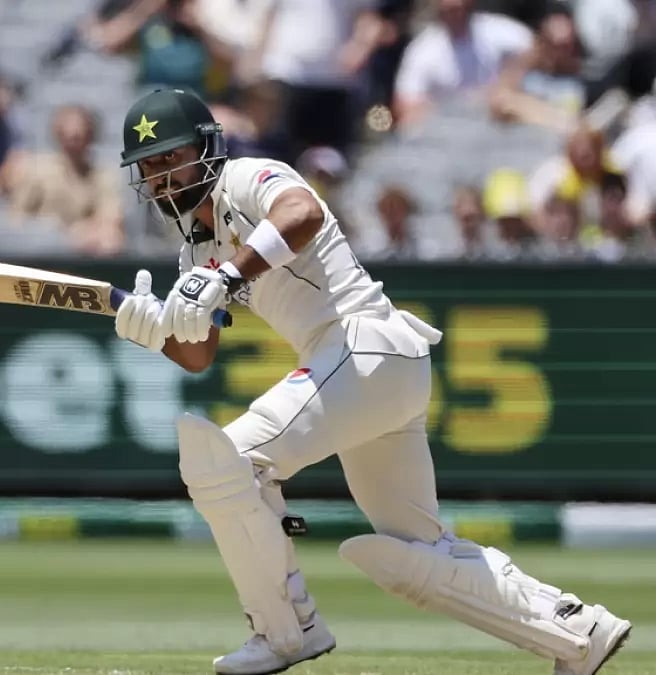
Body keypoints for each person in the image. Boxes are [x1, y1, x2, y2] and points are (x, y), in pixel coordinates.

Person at [112, 87, 630, 675]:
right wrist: (154, 329)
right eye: (149, 168)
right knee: (417, 556)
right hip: (376, 373)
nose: (161, 179)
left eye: (169, 159)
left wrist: (228, 274)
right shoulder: (193, 251)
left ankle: (286, 631)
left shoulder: (249, 176)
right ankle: (577, 632)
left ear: (205, 149)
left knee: (229, 463)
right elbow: (199, 352)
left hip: (363, 345)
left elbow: (301, 214)